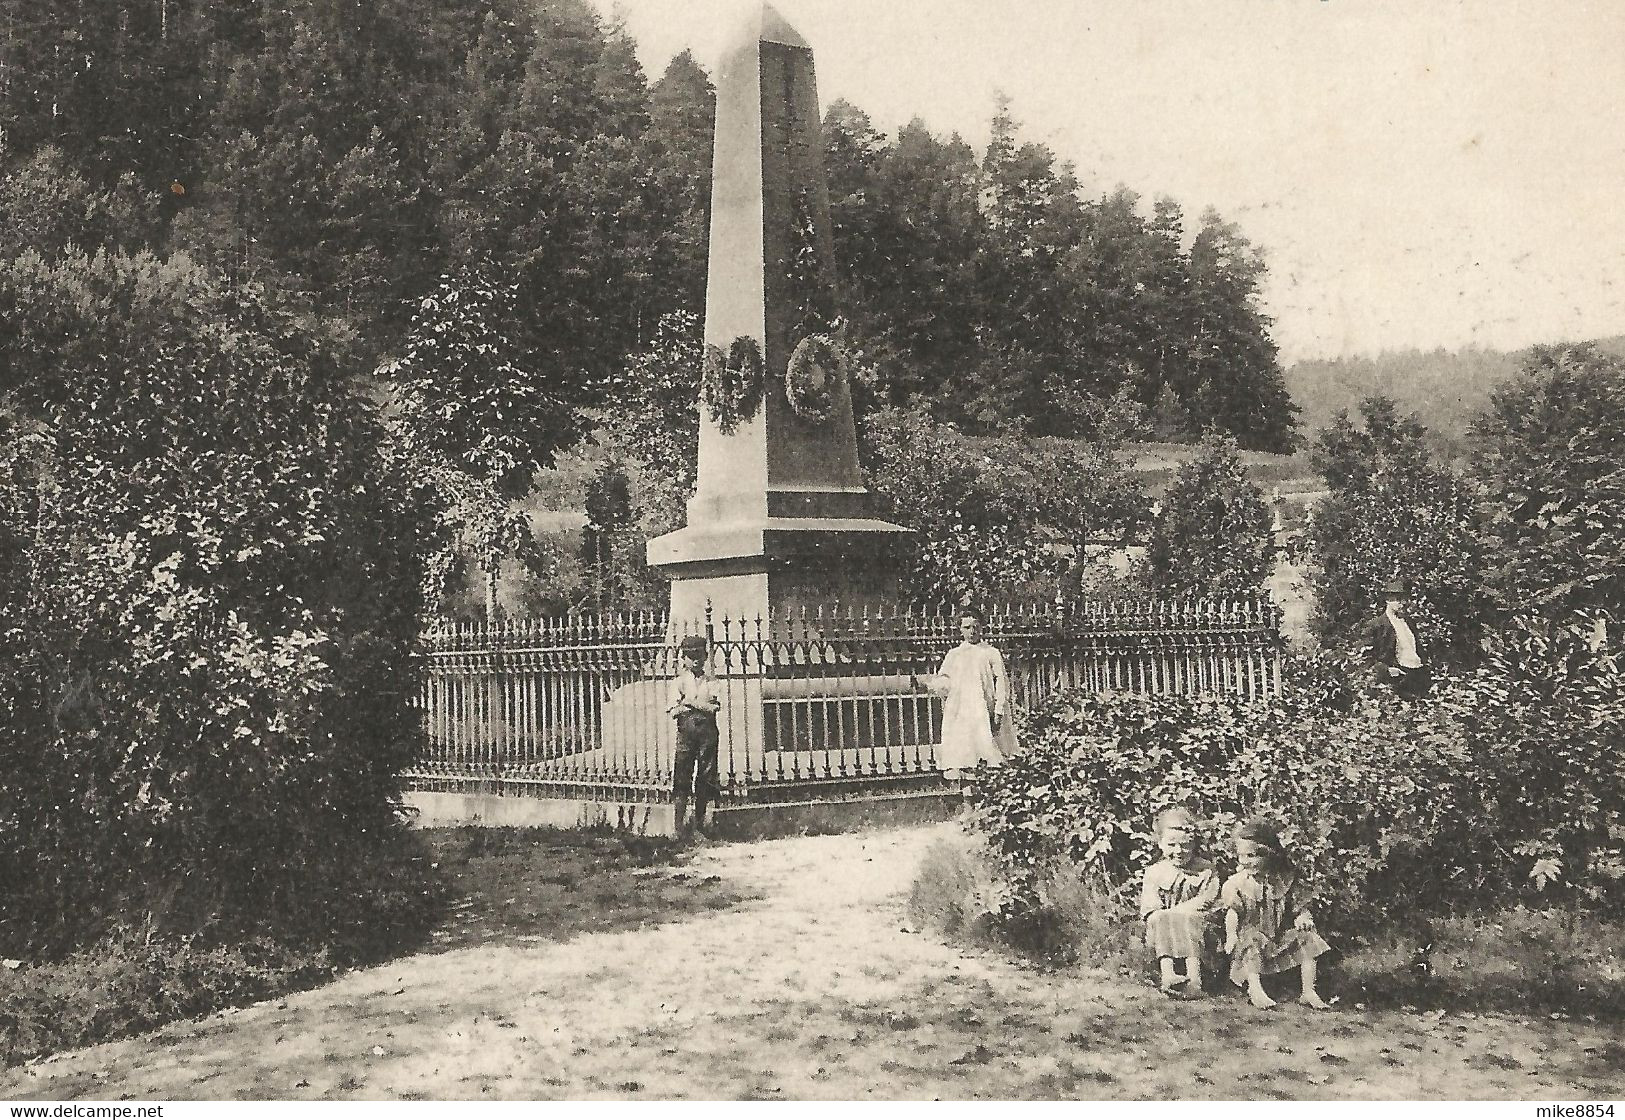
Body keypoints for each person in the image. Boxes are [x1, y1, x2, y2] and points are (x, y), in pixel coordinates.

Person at [1222, 817, 1333, 1010]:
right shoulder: (1237, 883)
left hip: (1275, 938)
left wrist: (1302, 917)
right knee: (1252, 939)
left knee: (1307, 937)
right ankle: (1255, 989)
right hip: (1248, 940)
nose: (1245, 861)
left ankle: (1308, 990)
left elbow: (1298, 906)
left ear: (1269, 855)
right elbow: (1233, 912)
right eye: (1242, 856)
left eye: (1253, 856)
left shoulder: (1283, 880)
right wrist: (1231, 935)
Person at [912, 609, 1015, 781]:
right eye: (967, 627)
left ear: (982, 627)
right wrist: (927, 684)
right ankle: (968, 802)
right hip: (961, 713)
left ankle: (989, 800)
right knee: (966, 758)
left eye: (976, 626)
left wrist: (998, 710)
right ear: (960, 629)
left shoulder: (991, 653)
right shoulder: (954, 655)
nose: (972, 631)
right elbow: (945, 682)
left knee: (989, 756)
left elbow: (1002, 683)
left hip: (984, 712)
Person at [1139, 807, 1220, 998]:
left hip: (1198, 930)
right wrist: (1167, 916)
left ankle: (1194, 980)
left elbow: (1208, 900)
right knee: (1160, 917)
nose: (1178, 851)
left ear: (1193, 845)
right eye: (1172, 845)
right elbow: (1150, 908)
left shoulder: (1206, 870)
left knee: (1190, 918)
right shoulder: (1155, 872)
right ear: (1160, 843)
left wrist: (1178, 913)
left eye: (1185, 845)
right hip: (1162, 933)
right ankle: (1169, 974)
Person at [666, 634, 722, 840]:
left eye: (699, 655)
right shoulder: (679, 682)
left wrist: (690, 703)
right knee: (682, 776)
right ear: (684, 659)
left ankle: (700, 825)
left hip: (707, 734)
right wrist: (688, 706)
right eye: (691, 656)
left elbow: (714, 707)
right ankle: (678, 827)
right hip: (686, 734)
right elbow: (673, 711)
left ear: (706, 656)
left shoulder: (712, 682)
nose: (695, 660)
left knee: (706, 776)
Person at [1364, 580, 1431, 698]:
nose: (1403, 603)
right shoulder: (1377, 625)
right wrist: (1387, 670)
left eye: (1405, 598)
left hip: (1418, 677)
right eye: (1398, 599)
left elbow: (1416, 650)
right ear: (1387, 599)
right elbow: (1367, 658)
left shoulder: (1409, 622)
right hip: (1397, 680)